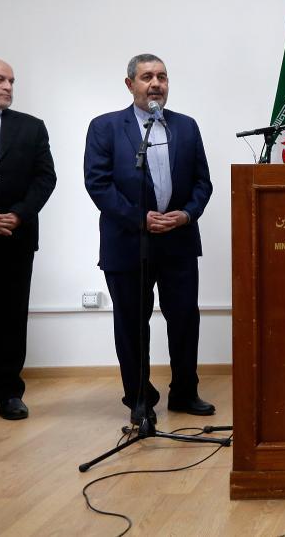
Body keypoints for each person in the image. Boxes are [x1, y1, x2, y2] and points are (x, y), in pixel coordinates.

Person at [84, 54, 214, 424]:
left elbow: (203, 182)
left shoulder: (186, 126)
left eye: (162, 77)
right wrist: (138, 218)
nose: (156, 83)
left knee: (184, 319)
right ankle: (139, 398)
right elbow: (98, 183)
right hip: (128, 243)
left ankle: (185, 392)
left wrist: (186, 214)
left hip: (178, 240)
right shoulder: (106, 127)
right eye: (146, 77)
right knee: (131, 324)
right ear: (130, 85)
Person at [0, 58, 56, 420]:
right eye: (0, 79)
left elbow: (45, 177)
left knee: (11, 320)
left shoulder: (31, 126)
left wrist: (19, 214)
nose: (8, 86)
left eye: (11, 81)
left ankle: (8, 393)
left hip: (16, 238)